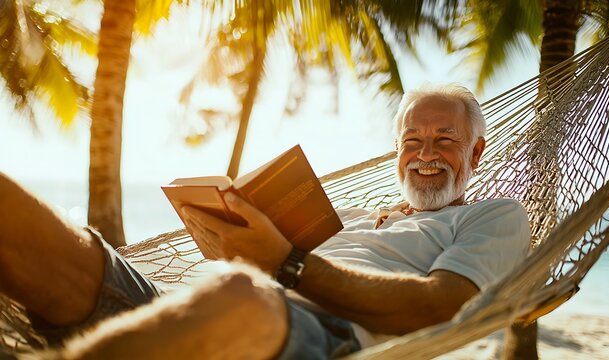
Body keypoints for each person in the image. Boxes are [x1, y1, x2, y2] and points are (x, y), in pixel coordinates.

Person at [0, 83, 530, 359]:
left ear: (477, 150)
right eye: (413, 140)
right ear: (396, 150)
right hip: (189, 310)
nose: (426, 153)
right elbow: (258, 266)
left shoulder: (495, 217)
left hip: (322, 338)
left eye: (445, 139)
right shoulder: (346, 215)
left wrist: (284, 264)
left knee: (241, 290)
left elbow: (441, 306)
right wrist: (231, 241)